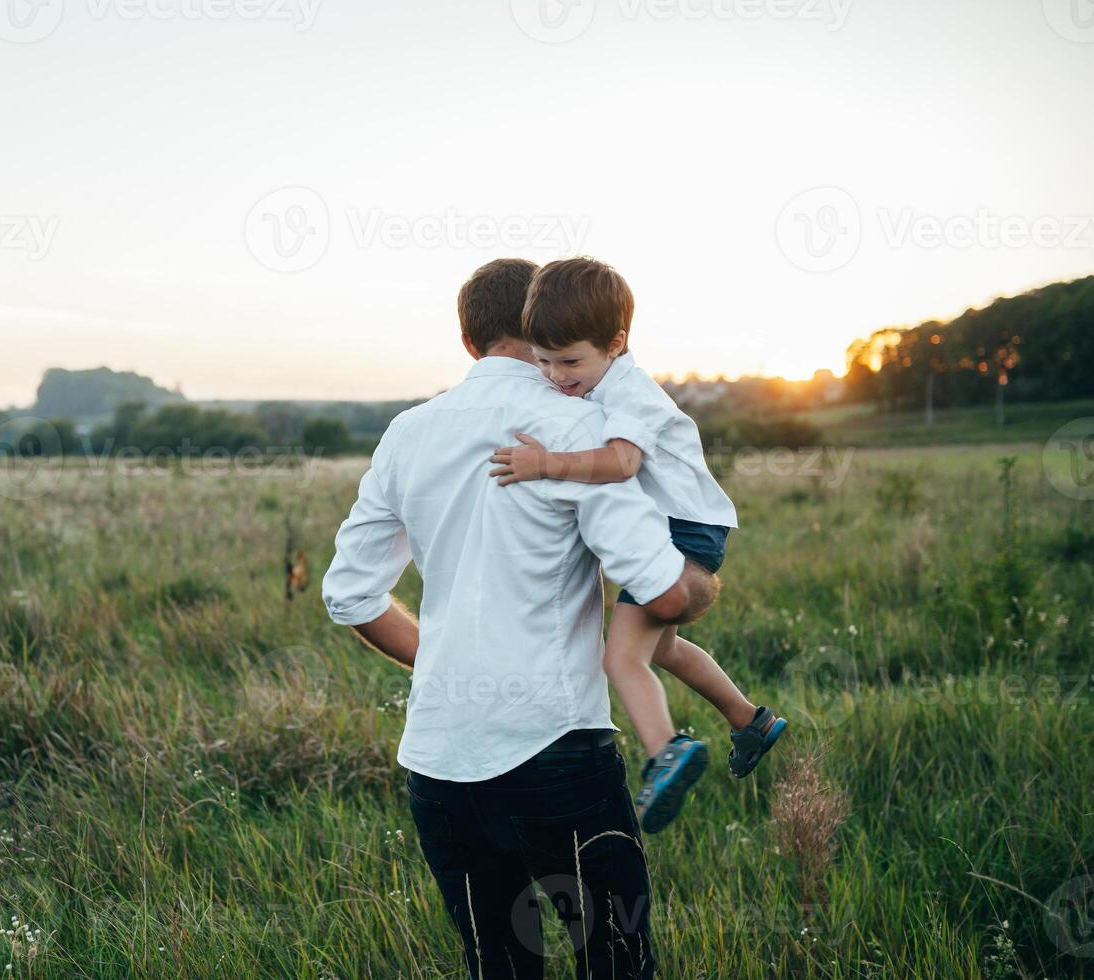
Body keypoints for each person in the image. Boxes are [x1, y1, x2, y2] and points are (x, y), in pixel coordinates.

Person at [321, 257, 719, 980]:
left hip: (438, 763)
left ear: (468, 342)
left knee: (496, 962)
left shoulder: (406, 434)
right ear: (537, 329)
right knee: (616, 961)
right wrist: (700, 582)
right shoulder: (576, 429)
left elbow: (350, 596)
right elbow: (660, 594)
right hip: (557, 751)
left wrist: (450, 663)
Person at [487, 258, 787, 833]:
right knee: (662, 650)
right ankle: (751, 720)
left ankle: (665, 750)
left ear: (617, 343)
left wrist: (544, 463)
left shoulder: (631, 391)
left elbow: (623, 463)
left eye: (570, 360)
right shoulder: (598, 381)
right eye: (543, 361)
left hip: (680, 528)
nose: (555, 375)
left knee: (620, 657)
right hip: (679, 525)